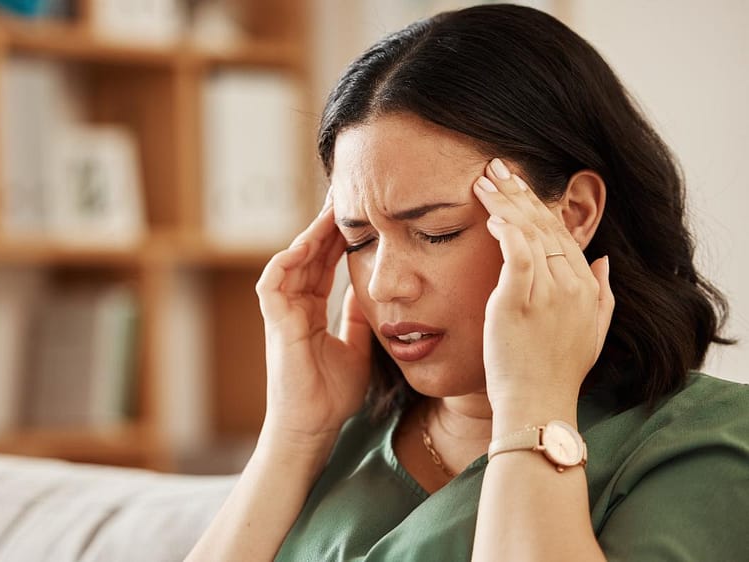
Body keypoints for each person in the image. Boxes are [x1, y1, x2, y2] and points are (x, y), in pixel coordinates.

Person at [187, 4, 749, 560]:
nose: (383, 286)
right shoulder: (339, 439)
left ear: (573, 213)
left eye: (436, 231)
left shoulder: (704, 442)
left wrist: (535, 410)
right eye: (359, 240)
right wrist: (295, 434)